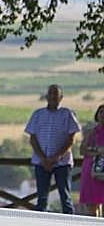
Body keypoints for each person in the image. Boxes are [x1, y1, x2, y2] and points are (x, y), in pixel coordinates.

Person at [25, 84, 80, 214]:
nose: (53, 97)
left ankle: (70, 224)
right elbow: (32, 138)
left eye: (56, 94)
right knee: (42, 198)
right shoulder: (38, 114)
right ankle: (41, 225)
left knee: (65, 197)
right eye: (50, 94)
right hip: (41, 161)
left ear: (61, 97)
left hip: (62, 162)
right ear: (46, 96)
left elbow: (71, 139)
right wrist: (43, 158)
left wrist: (56, 157)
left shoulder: (67, 114)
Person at [79, 104, 104, 218]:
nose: (103, 114)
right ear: (97, 115)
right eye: (101, 112)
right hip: (92, 171)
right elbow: (82, 150)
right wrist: (97, 151)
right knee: (92, 206)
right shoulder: (91, 132)